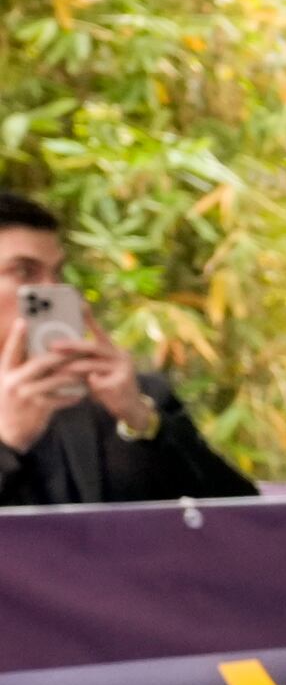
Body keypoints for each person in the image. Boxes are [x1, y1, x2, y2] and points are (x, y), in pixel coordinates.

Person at [0, 194, 253, 508]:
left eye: (58, 273)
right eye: (24, 272)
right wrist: (7, 443)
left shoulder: (130, 398)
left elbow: (247, 519)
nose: (50, 290)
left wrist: (145, 422)